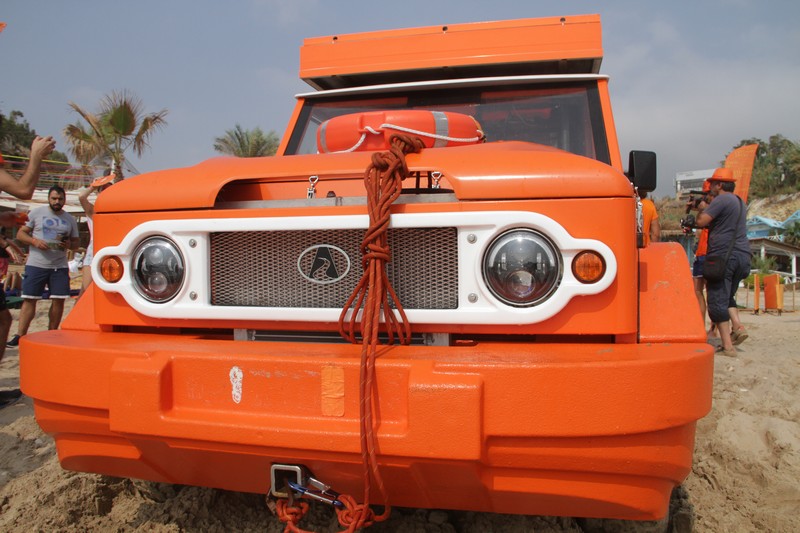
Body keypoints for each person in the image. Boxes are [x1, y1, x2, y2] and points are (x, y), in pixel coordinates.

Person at [0, 132, 56, 408]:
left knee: (3, 319)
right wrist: (35, 156)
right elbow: (23, 190)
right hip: (37, 264)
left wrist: (4, 218)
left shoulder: (65, 219)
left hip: (53, 266)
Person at [6, 185, 80, 348]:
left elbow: (76, 243)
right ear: (49, 198)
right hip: (37, 264)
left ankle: (52, 333)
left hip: (59, 265)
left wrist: (69, 244)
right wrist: (35, 241)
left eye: (60, 199)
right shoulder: (36, 213)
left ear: (64, 200)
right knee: (30, 299)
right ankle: (20, 335)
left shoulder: (70, 219)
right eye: (54, 198)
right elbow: (20, 234)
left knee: (59, 300)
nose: (57, 201)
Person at [694, 167, 751, 357]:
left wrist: (701, 209)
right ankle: (737, 329)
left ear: (719, 185)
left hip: (724, 256)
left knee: (717, 298)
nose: (710, 188)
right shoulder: (739, 202)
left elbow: (702, 221)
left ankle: (727, 346)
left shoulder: (721, 200)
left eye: (712, 184)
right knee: (727, 297)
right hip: (742, 256)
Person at [77, 170, 114, 296]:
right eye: (103, 190)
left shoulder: (116, 213)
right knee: (85, 290)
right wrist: (94, 186)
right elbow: (82, 197)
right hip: (94, 248)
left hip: (109, 248)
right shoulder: (93, 210)